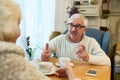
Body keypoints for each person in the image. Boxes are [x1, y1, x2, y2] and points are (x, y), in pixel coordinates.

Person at [0, 0, 51, 80]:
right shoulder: (10, 60)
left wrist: (42, 60)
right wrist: (70, 73)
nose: (19, 33)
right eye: (18, 23)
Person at [41, 13, 111, 66]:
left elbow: (107, 61)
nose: (73, 29)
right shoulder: (59, 39)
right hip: (62, 75)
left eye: (78, 26)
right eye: (71, 25)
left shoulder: (91, 42)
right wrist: (43, 56)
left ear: (84, 29)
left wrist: (88, 57)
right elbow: (42, 52)